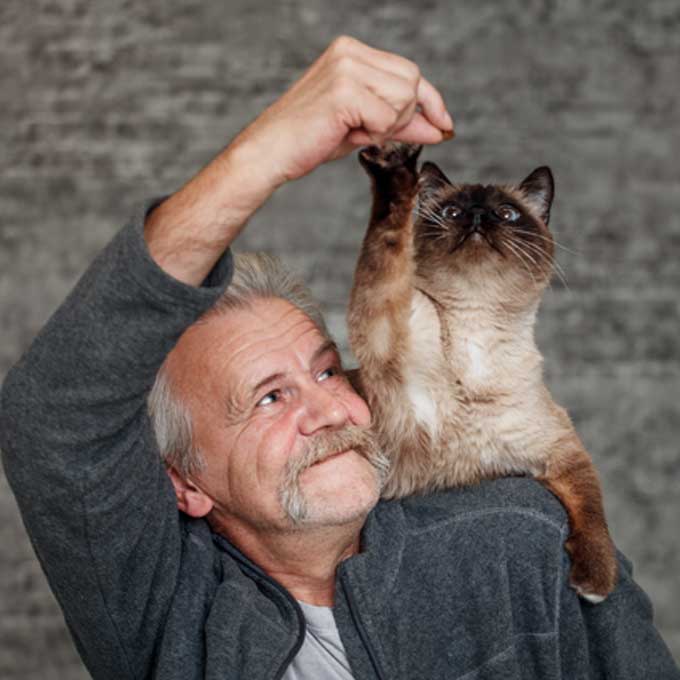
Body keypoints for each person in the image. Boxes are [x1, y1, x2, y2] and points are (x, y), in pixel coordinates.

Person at [0, 35, 677, 680]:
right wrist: (267, 151)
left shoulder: (524, 535)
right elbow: (51, 420)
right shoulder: (171, 616)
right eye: (269, 396)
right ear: (186, 483)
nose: (328, 408)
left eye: (327, 370)